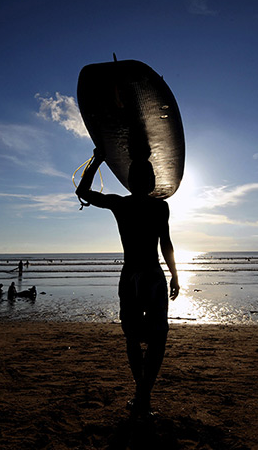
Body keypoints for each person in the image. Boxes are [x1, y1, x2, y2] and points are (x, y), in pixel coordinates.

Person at [76, 148, 180, 418]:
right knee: (157, 339)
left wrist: (97, 160)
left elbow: (83, 192)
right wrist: (174, 275)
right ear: (151, 181)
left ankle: (141, 394)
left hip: (131, 276)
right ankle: (144, 395)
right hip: (154, 277)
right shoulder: (160, 206)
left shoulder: (121, 204)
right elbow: (166, 244)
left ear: (130, 181)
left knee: (133, 339)